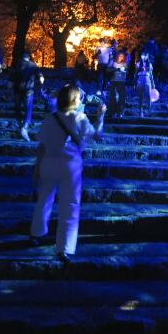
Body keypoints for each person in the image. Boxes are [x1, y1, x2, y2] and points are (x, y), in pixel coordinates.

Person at [31, 85, 106, 262]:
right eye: (78, 97)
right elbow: (97, 136)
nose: (80, 100)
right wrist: (101, 116)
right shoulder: (80, 118)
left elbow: (41, 146)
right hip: (70, 166)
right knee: (70, 205)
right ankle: (64, 248)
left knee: (44, 200)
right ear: (73, 100)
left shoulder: (50, 118)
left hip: (49, 162)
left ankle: (37, 233)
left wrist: (37, 168)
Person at [12, 51, 42, 142]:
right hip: (28, 90)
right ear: (29, 57)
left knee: (18, 108)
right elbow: (40, 76)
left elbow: (12, 76)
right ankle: (24, 128)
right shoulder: (32, 65)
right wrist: (41, 80)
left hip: (17, 90)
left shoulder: (17, 64)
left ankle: (19, 125)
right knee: (28, 109)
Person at [108, 51, 128, 118]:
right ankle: (113, 112)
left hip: (121, 82)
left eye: (122, 56)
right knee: (113, 97)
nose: (120, 57)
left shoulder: (124, 64)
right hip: (114, 81)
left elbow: (127, 72)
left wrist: (123, 71)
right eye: (119, 56)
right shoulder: (113, 63)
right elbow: (108, 70)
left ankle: (120, 112)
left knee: (121, 98)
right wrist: (115, 69)